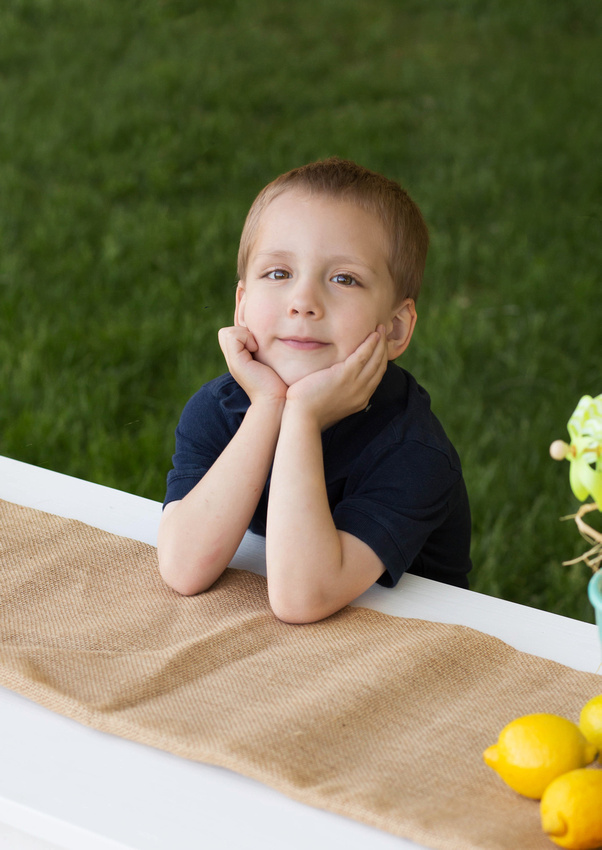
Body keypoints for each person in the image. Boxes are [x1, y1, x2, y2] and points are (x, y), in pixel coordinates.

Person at [158, 157, 471, 623]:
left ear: (396, 328)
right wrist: (268, 406)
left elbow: (302, 598)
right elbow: (184, 568)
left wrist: (301, 416)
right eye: (279, 273)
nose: (304, 302)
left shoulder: (413, 452)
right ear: (242, 306)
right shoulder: (219, 409)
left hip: (406, 650)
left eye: (344, 279)